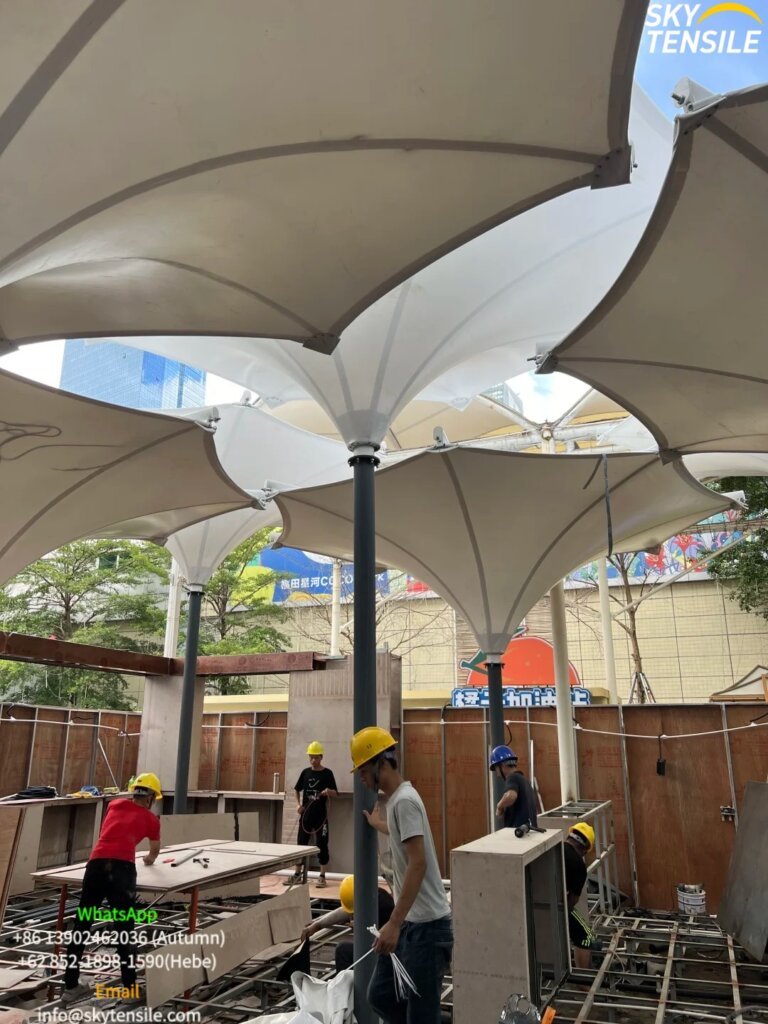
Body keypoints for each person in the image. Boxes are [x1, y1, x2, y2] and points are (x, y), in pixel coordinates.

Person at [354, 726, 453, 1024]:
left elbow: (418, 863)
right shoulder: (397, 801)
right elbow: (402, 836)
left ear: (381, 764)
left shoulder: (405, 801)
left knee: (421, 1014)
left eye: (363, 771)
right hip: (412, 924)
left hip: (427, 928)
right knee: (381, 995)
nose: (361, 778)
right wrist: (377, 824)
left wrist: (394, 923)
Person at [61, 772, 162, 1004]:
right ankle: (129, 990)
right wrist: (148, 860)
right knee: (124, 928)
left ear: (134, 792)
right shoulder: (151, 819)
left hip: (96, 867)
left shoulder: (114, 805)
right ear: (150, 798)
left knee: (82, 924)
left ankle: (71, 987)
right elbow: (155, 850)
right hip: (121, 872)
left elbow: (109, 832)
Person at [301, 874, 395, 973]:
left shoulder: (381, 907)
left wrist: (360, 927)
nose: (351, 915)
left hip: (388, 954)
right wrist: (317, 925)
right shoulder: (372, 896)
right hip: (386, 948)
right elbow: (345, 911)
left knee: (343, 951)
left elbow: (371, 939)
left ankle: (353, 982)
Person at [285, 741, 338, 888]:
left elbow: (335, 793)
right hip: (306, 816)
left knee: (322, 844)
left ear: (321, 757)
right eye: (311, 757)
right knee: (301, 844)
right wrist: (297, 805)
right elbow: (296, 790)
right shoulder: (305, 773)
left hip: (321, 816)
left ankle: (322, 876)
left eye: (316, 757)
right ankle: (297, 874)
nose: (313, 760)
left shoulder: (327, 774)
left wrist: (328, 791)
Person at [563, 822, 597, 968]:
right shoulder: (579, 865)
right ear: (584, 849)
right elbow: (572, 902)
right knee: (586, 936)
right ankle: (583, 977)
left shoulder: (555, 848)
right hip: (558, 907)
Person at [489, 745, 538, 830]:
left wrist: (499, 806)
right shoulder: (524, 780)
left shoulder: (512, 777)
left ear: (502, 765)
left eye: (496, 769)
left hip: (519, 834)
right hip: (529, 832)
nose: (497, 774)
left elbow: (511, 796)